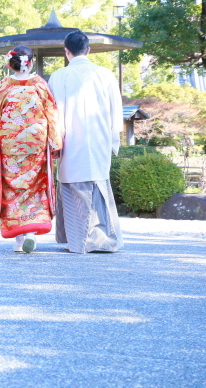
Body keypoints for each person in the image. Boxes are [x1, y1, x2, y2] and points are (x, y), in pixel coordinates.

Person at [0, 45, 62, 254]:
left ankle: (18, 239)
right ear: (31, 62)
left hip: (10, 145)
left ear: (10, 64)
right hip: (35, 142)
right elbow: (51, 112)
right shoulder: (39, 85)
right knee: (35, 184)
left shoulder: (4, 86)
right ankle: (31, 234)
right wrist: (55, 141)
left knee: (12, 186)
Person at [48, 31, 124, 253]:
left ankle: (76, 241)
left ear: (66, 51)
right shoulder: (105, 74)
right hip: (99, 138)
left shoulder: (59, 76)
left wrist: (54, 143)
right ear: (88, 50)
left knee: (73, 189)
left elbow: (52, 115)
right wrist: (112, 137)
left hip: (70, 140)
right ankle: (103, 240)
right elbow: (116, 111)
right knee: (99, 187)